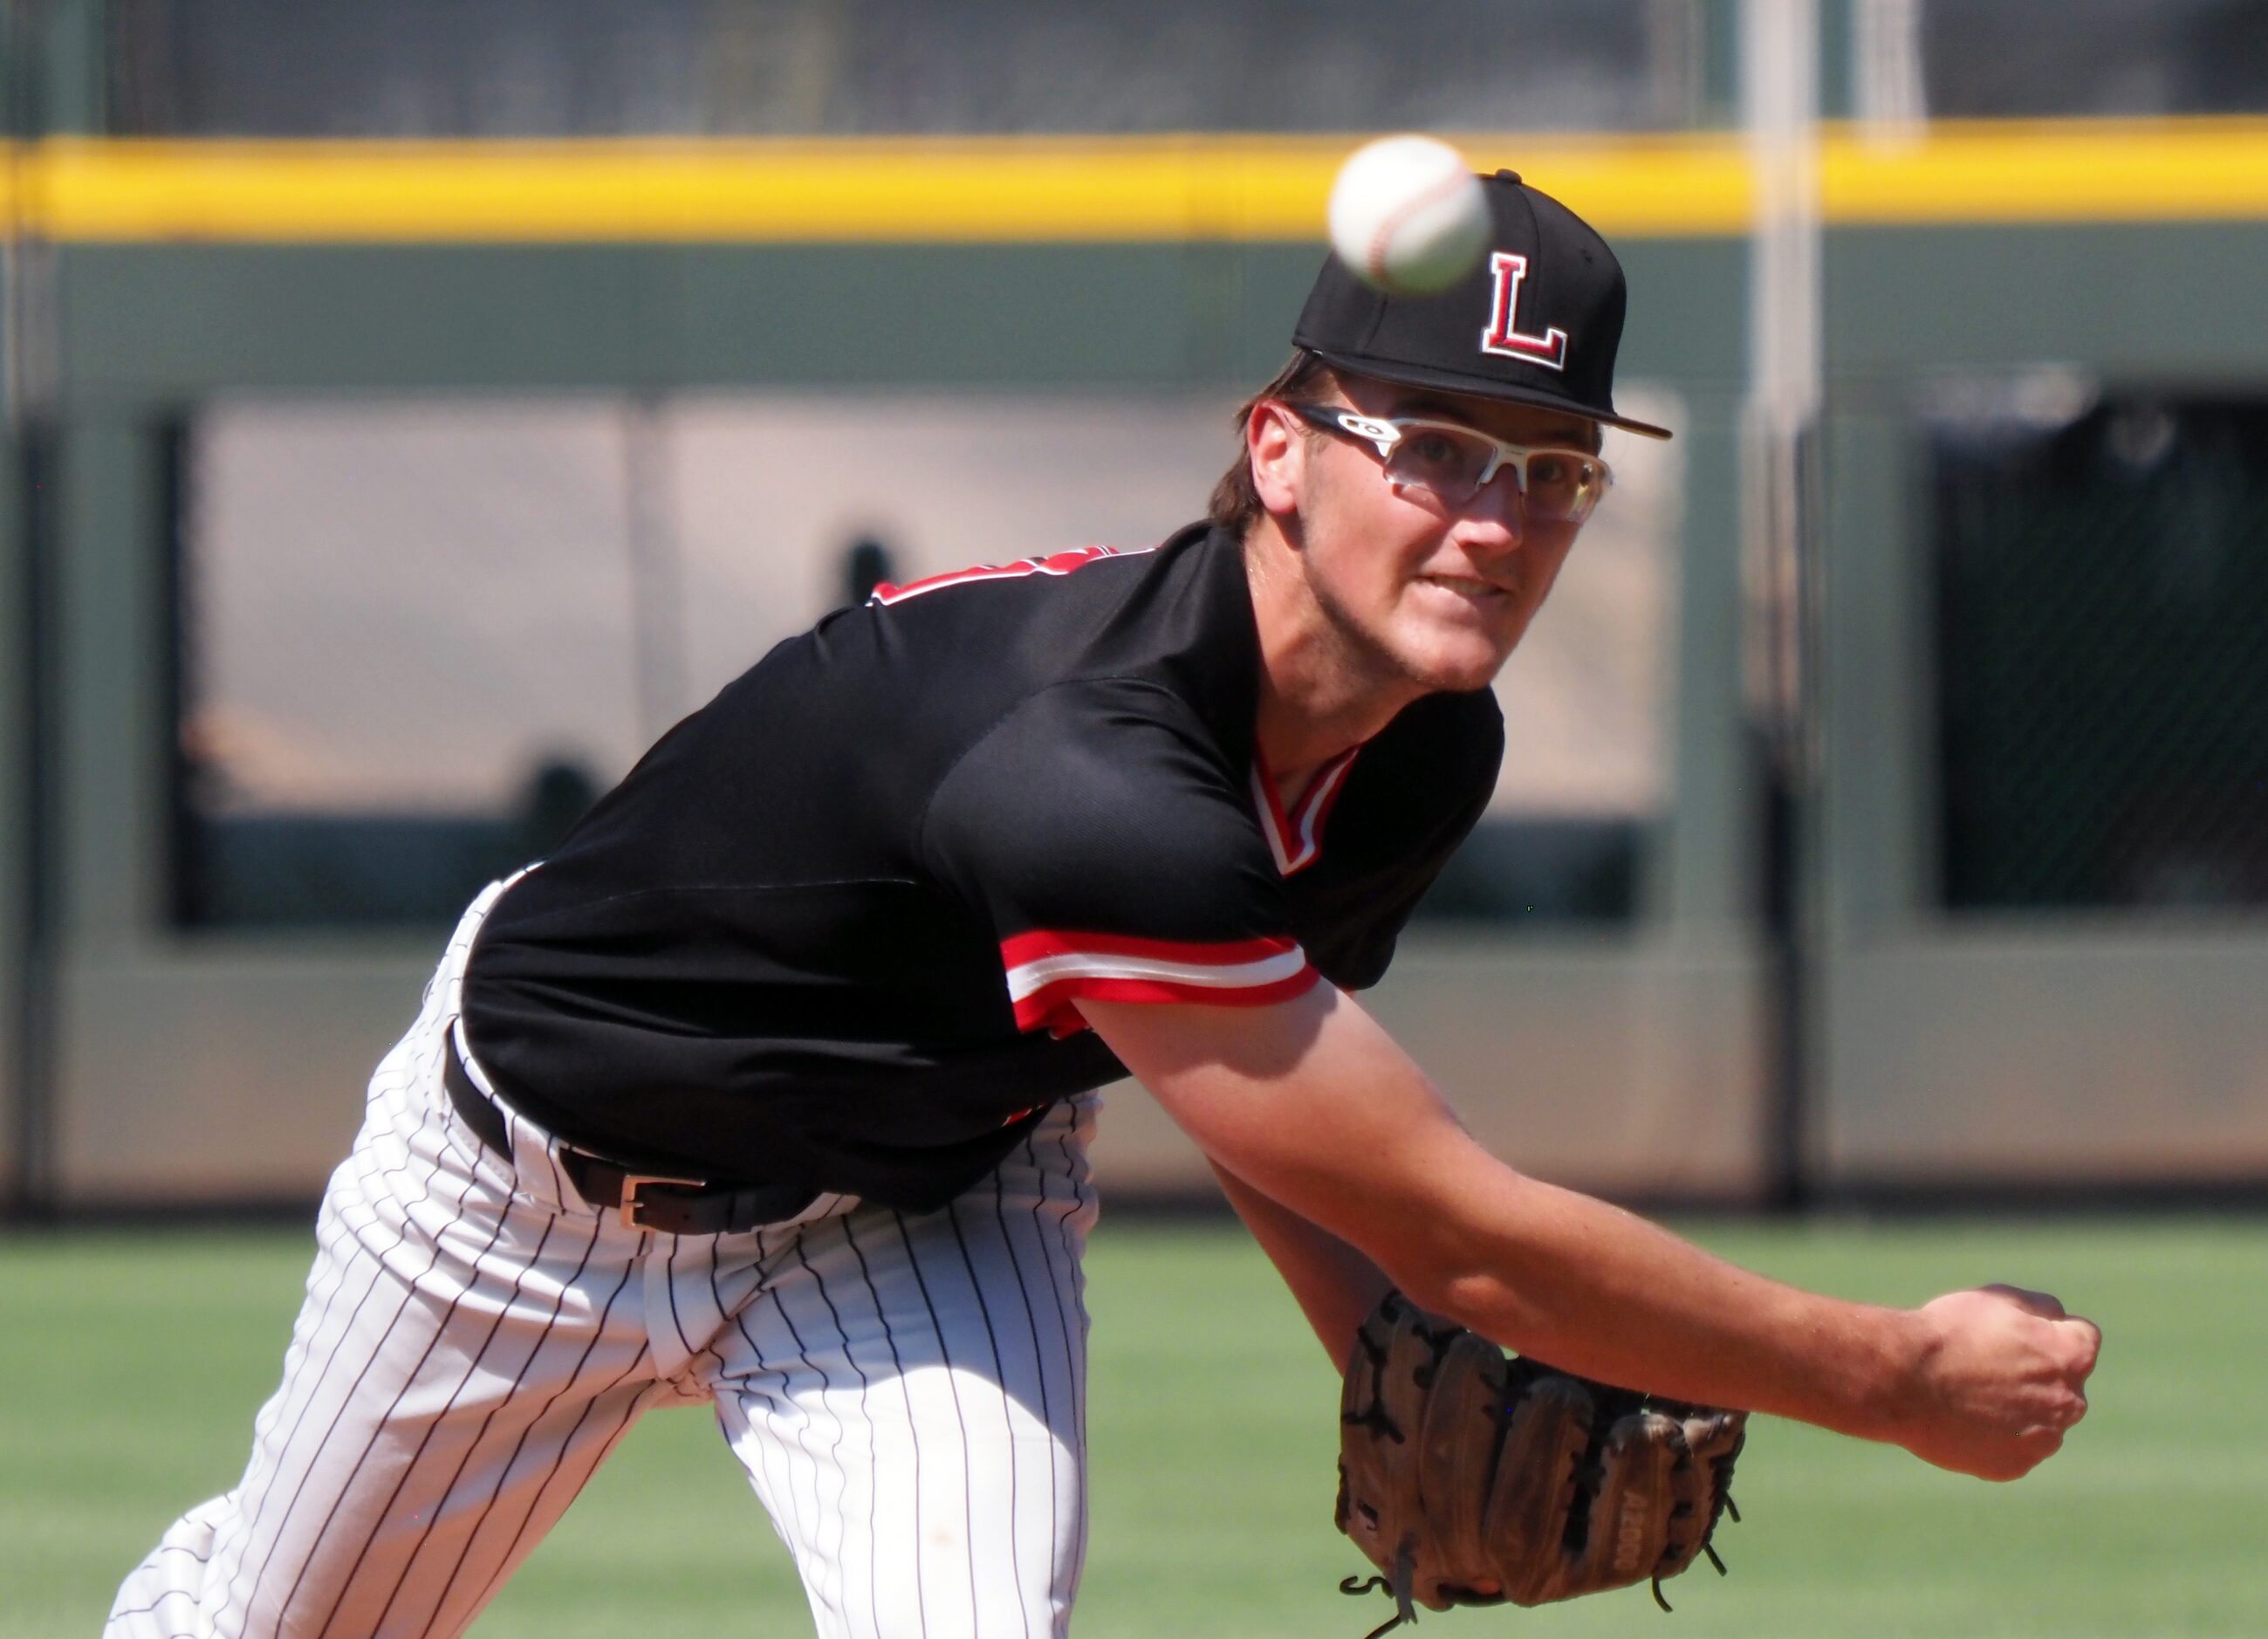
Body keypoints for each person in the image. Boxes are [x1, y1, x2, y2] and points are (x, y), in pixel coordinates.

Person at [108, 170, 2098, 1639]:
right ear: (1279, 453)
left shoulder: (1418, 741)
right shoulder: (1084, 768)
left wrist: (1372, 1368)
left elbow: (1281, 1112)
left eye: (1553, 468)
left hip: (912, 1201)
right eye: (1435, 452)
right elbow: (1460, 1233)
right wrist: (1892, 1378)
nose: (1495, 524)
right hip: (523, 1191)